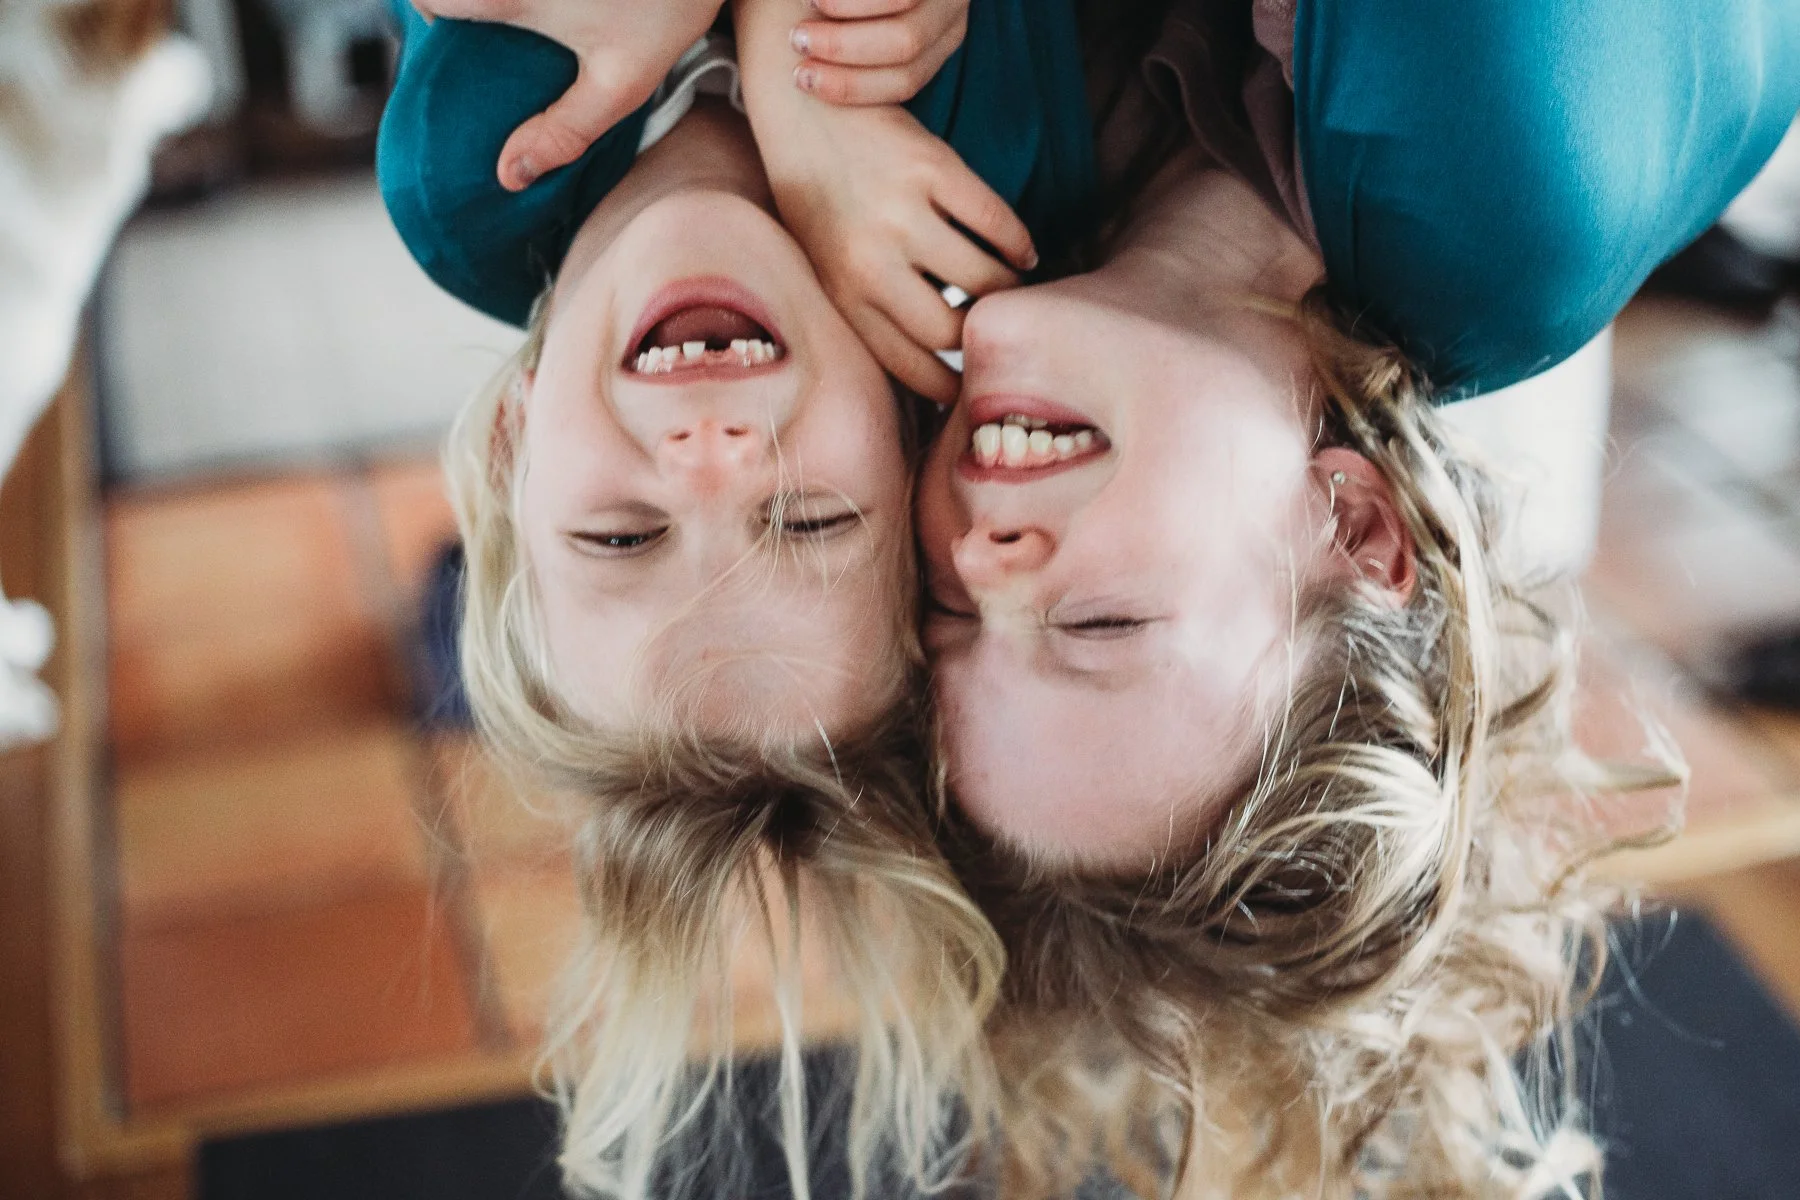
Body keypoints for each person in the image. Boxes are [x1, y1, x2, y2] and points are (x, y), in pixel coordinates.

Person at [914, 0, 1798, 1194]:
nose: (983, 559)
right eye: (1096, 625)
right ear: (1355, 525)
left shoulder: (1012, 190)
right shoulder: (1498, 175)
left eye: (953, 620)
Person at [376, 1, 1096, 1198]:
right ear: (909, 419)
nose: (710, 461)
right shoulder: (995, 195)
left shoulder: (472, 177)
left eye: (622, 536)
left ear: (513, 449)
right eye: (809, 520)